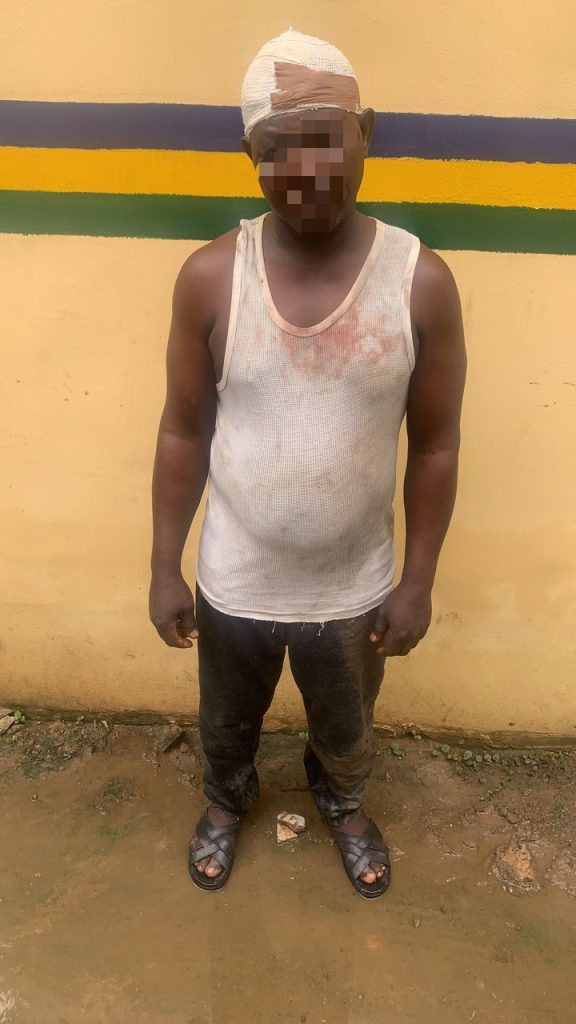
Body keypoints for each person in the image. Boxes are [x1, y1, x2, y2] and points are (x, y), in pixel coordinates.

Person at [149, 29, 466, 899]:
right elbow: (183, 431)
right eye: (280, 149)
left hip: (353, 585)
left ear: (367, 132)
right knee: (226, 718)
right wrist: (166, 565)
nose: (308, 172)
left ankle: (344, 803)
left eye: (328, 141)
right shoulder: (212, 279)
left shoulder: (419, 283)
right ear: (250, 155)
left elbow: (437, 444)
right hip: (236, 579)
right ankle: (226, 799)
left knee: (347, 724)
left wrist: (417, 582)